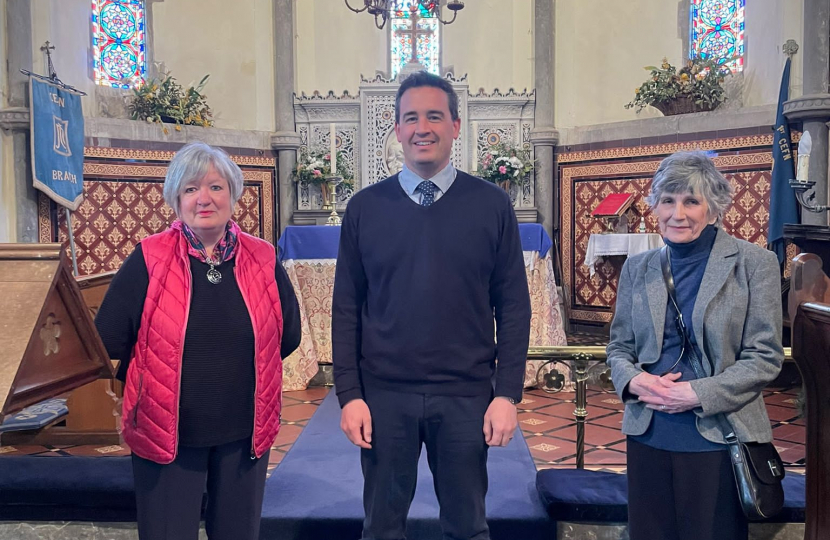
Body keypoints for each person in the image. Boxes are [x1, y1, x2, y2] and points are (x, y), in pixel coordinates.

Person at [332, 70, 532, 540]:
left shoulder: (491, 204)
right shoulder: (364, 208)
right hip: (384, 395)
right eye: (411, 118)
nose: (423, 127)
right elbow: (345, 309)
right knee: (381, 527)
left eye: (435, 116)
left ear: (456, 126)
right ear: (397, 129)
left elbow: (514, 305)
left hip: (465, 393)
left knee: (467, 525)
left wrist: (506, 394)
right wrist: (350, 395)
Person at [95, 141, 301, 540]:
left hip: (245, 434)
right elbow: (107, 339)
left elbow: (287, 335)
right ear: (176, 199)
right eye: (190, 189)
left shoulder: (262, 257)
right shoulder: (149, 258)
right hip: (167, 435)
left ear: (233, 195)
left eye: (215, 187)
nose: (203, 198)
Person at [606, 151, 784, 540]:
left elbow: (765, 356)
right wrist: (637, 382)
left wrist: (696, 393)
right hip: (648, 432)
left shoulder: (754, 263)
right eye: (667, 200)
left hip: (719, 436)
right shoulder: (639, 268)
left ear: (714, 207)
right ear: (655, 206)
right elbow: (619, 348)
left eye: (691, 201)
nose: (677, 213)